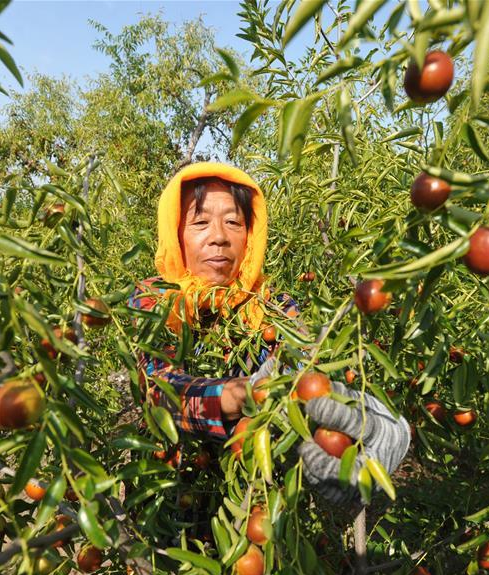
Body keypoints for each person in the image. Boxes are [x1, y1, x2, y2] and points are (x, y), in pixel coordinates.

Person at [128, 162, 410, 503]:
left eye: (234, 222)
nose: (219, 236)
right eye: (200, 222)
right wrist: (243, 395)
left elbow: (308, 370)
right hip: (167, 496)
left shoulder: (272, 306)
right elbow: (158, 391)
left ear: (250, 235)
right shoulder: (155, 300)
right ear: (175, 234)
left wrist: (374, 421)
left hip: (253, 498)